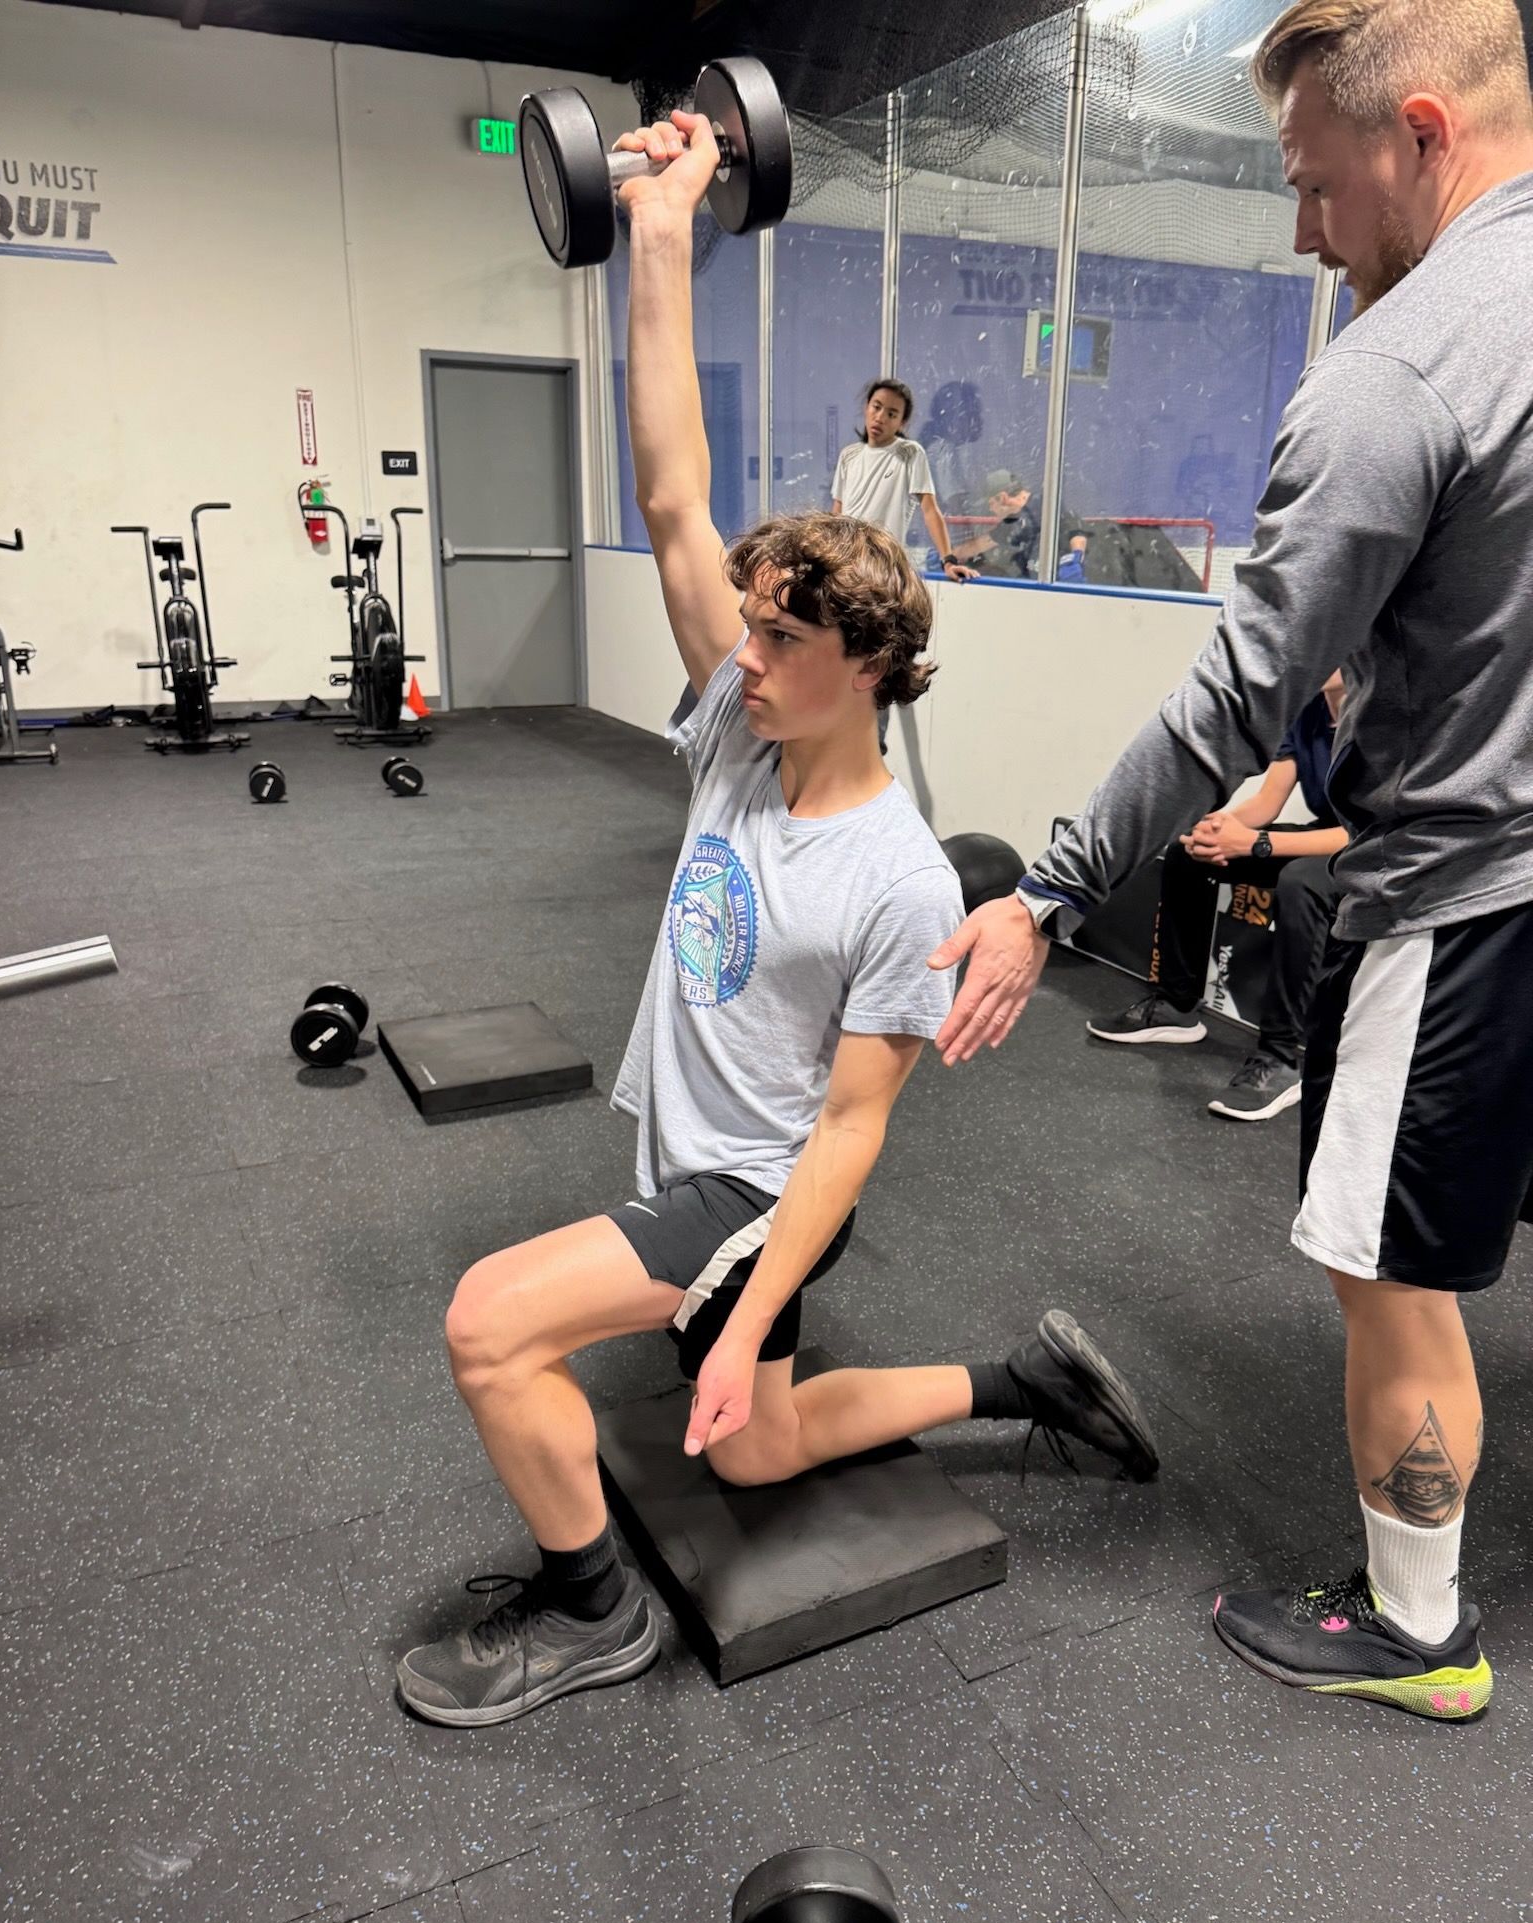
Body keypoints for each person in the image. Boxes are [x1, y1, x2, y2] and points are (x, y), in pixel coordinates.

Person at [396, 109, 1158, 1731]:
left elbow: (850, 1138)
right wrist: (662, 222)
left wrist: (742, 1303)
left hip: (751, 1190)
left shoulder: (896, 876)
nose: (744, 656)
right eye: (746, 627)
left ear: (865, 666)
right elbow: (676, 487)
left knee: (487, 1326)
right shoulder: (740, 737)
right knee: (753, 1440)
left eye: (779, 639)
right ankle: (1022, 1385)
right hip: (704, 1164)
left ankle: (590, 1606)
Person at [929, 0, 1533, 1722]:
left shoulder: (1400, 367)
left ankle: (1419, 1626)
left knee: (1393, 1271)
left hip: (1472, 901)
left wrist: (1047, 898)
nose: (1299, 231)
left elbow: (1232, 699)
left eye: (1315, 187)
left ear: (1418, 131)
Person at [1088, 674, 1348, 1121]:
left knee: (1301, 883)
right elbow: (1268, 801)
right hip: (1321, 835)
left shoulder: (1379, 713)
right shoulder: (1308, 709)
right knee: (1191, 854)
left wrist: (1256, 844)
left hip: (1369, 850)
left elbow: (1359, 832)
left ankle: (1280, 1058)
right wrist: (1217, 829)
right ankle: (1177, 1005)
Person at [831, 380, 977, 585]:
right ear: (867, 407)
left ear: (902, 422)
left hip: (883, 573)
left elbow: (930, 510)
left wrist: (949, 561)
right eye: (876, 407)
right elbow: (838, 511)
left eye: (891, 414)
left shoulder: (910, 453)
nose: (880, 417)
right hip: (846, 569)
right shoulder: (848, 455)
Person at [954, 471, 1040, 580]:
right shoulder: (1044, 502)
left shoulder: (1017, 521)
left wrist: (948, 557)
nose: (990, 509)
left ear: (1002, 498)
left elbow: (977, 546)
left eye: (991, 504)